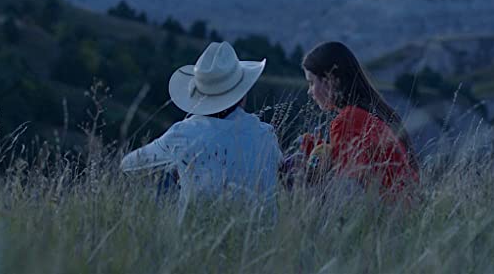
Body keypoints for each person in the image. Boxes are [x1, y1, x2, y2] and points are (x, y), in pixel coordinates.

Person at [121, 42, 282, 220]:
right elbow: (278, 169)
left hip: (195, 239)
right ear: (242, 95)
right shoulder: (266, 134)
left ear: (199, 96)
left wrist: (177, 168)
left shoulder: (183, 134)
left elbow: (129, 166)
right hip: (261, 240)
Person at [297, 41, 419, 199]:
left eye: (312, 82)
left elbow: (347, 188)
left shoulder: (348, 121)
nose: (309, 91)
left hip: (384, 214)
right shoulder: (370, 113)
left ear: (332, 81)